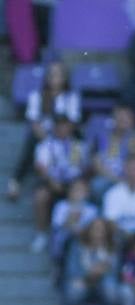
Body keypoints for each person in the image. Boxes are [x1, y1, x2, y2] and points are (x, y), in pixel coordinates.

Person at [8, 59, 80, 201]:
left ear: (65, 78)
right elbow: (34, 122)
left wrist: (61, 135)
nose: (55, 78)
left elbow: (72, 122)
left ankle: (74, 182)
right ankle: (16, 182)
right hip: (44, 135)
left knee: (78, 142)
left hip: (65, 134)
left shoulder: (71, 97)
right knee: (31, 143)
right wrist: (48, 139)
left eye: (59, 75)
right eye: (52, 75)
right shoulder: (37, 96)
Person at [31, 114, 89, 252]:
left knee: (80, 191)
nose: (63, 129)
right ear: (55, 128)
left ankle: (78, 233)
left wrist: (75, 185)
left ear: (70, 128)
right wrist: (53, 181)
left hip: (72, 182)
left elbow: (81, 168)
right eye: (59, 126)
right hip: (51, 182)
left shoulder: (77, 145)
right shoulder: (46, 145)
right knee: (40, 196)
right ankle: (41, 233)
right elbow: (41, 167)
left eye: (65, 126)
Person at [91, 103, 135, 198]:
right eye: (120, 117)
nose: (123, 120)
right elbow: (97, 164)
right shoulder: (102, 137)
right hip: (110, 178)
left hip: (134, 178)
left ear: (132, 121)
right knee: (97, 185)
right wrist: (116, 179)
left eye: (127, 118)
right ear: (114, 119)